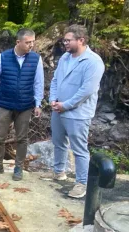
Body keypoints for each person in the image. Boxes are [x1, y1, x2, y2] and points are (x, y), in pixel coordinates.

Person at [42, 24, 105, 198]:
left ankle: (81, 183)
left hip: (78, 114)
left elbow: (86, 91)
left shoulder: (93, 62)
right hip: (58, 110)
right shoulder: (65, 58)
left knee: (79, 149)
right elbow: (55, 80)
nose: (65, 43)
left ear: (81, 40)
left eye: (68, 40)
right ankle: (59, 172)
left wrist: (66, 105)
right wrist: (53, 100)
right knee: (58, 142)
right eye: (64, 40)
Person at [0, 29, 44, 181]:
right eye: (28, 42)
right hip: (5, 103)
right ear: (18, 42)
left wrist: (38, 103)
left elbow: (38, 83)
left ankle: (19, 167)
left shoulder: (36, 59)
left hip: (25, 105)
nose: (31, 45)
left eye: (33, 42)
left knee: (22, 138)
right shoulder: (3, 57)